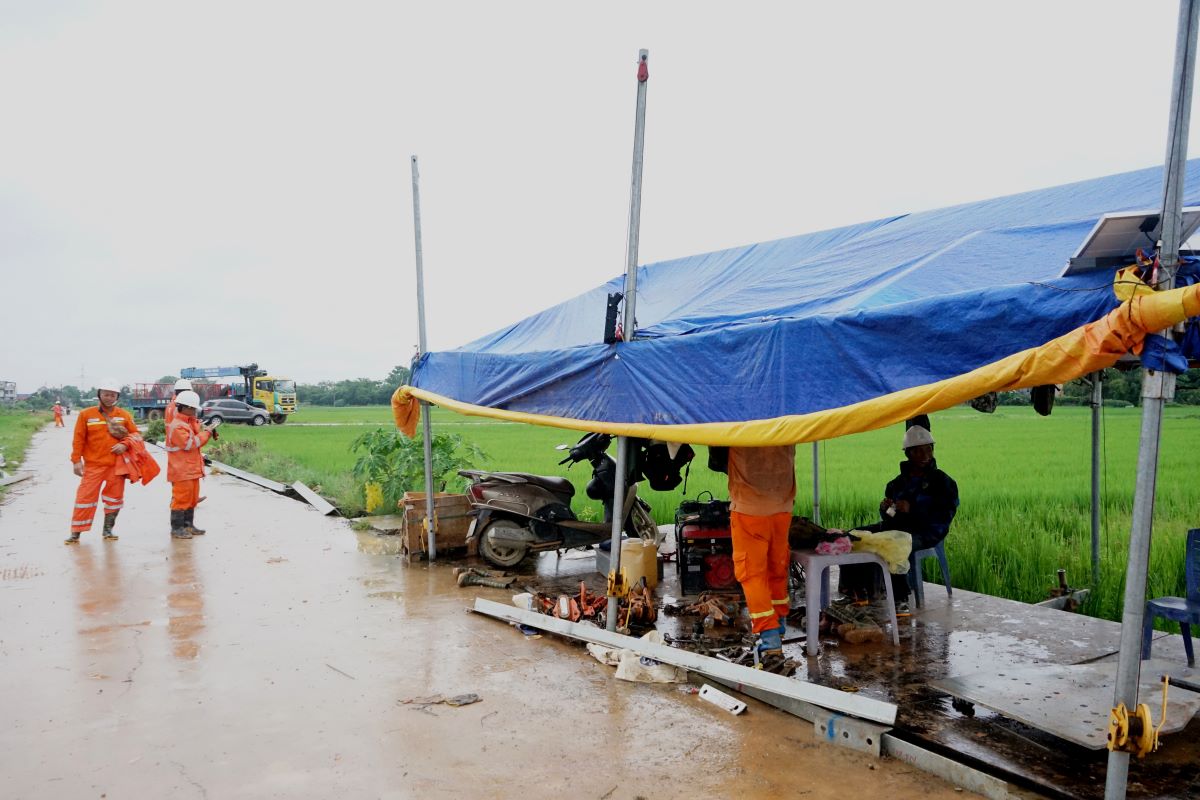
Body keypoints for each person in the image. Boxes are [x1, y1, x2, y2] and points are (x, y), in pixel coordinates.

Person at [871, 425, 959, 612]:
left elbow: (944, 514)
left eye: (928, 449)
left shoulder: (943, 482)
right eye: (918, 451)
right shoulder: (896, 484)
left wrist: (913, 508)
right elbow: (891, 517)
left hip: (928, 532)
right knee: (859, 535)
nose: (925, 455)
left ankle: (901, 598)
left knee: (895, 544)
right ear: (908, 454)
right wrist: (886, 509)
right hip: (899, 528)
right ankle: (861, 591)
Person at [727, 445, 796, 666]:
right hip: (782, 506)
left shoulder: (740, 417)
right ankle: (779, 627)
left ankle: (770, 639)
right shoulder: (786, 415)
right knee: (777, 569)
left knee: (752, 575)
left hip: (749, 509)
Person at [67, 380, 138, 544]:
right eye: (106, 394)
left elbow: (136, 435)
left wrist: (124, 444)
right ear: (99, 394)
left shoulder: (124, 415)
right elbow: (78, 439)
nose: (109, 397)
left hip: (116, 466)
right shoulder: (86, 414)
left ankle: (108, 530)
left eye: (112, 395)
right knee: (84, 498)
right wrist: (76, 461)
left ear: (117, 397)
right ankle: (76, 533)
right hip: (93, 465)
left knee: (114, 499)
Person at [165, 390, 216, 539]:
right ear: (186, 408)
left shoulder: (186, 423)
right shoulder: (177, 425)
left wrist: (207, 430)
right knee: (181, 499)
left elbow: (194, 435)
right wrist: (206, 433)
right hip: (181, 470)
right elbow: (190, 444)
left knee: (191, 498)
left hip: (191, 469)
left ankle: (188, 526)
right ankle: (177, 529)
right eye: (193, 409)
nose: (195, 412)